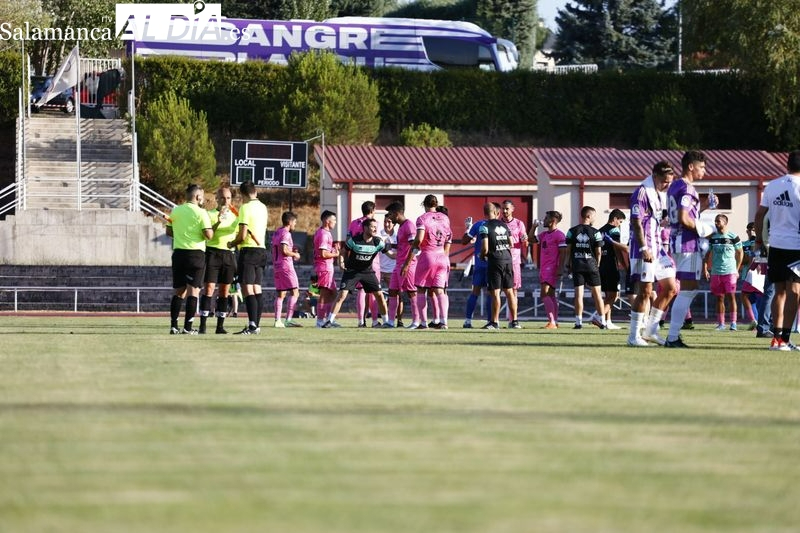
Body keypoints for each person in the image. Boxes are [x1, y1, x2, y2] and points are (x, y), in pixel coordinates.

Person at [664, 150, 714, 348]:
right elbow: (685, 218)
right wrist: (704, 228)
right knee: (689, 289)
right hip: (688, 243)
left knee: (686, 289)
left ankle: (672, 335)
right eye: (702, 167)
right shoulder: (687, 188)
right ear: (691, 166)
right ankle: (673, 336)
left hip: (676, 240)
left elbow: (682, 213)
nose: (705, 171)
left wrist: (703, 207)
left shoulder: (674, 186)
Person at [627, 163, 678, 346]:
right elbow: (636, 221)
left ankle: (650, 331)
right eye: (664, 181)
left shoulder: (660, 194)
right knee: (645, 292)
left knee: (671, 288)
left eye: (669, 182)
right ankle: (633, 336)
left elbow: (659, 219)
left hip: (658, 247)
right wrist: (643, 248)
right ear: (654, 176)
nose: (666, 185)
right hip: (644, 248)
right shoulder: (642, 192)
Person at [753, 150, 800, 351]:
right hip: (796, 246)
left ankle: (777, 338)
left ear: (787, 164)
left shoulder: (772, 185)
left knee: (778, 292)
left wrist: (758, 240)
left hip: (776, 245)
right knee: (795, 293)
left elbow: (760, 215)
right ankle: (785, 339)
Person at [322, 218, 390, 328]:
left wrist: (406, 256)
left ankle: (387, 322)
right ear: (365, 228)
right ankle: (329, 321)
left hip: (368, 272)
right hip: (352, 271)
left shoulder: (378, 242)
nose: (375, 229)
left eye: (375, 227)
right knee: (342, 295)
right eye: (372, 226)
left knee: (379, 295)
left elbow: (390, 254)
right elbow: (344, 251)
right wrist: (341, 262)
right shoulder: (354, 240)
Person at [166, 184, 213, 334]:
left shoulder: (175, 210)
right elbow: (209, 235)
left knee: (179, 291)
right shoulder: (201, 212)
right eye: (202, 197)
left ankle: (174, 326)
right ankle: (187, 327)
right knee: (193, 291)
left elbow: (169, 231)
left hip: (179, 254)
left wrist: (182, 235)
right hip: (195, 255)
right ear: (198, 197)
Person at [403, 194, 452, 329]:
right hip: (442, 256)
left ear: (424, 204)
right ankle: (443, 322)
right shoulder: (445, 218)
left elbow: (419, 239)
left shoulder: (422, 219)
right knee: (439, 290)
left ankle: (423, 323)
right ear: (436, 204)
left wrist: (413, 248)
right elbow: (449, 238)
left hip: (428, 256)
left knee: (421, 289)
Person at [227, 180, 268, 335]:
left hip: (249, 251)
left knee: (247, 288)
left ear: (242, 194)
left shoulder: (245, 207)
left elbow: (243, 235)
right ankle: (256, 325)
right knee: (257, 288)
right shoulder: (263, 207)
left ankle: (251, 326)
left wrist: (232, 243)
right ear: (255, 192)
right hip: (261, 250)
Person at [198, 186, 238, 334]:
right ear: (216, 198)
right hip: (212, 253)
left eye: (228, 198)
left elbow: (240, 234)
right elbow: (208, 235)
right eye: (222, 198)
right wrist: (219, 221)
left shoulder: (236, 216)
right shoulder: (209, 214)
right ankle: (202, 325)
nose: (225, 201)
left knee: (225, 291)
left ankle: (220, 326)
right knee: (208, 289)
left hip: (228, 255)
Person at [564, 205, 607, 329]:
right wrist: (597, 264)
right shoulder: (596, 232)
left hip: (577, 266)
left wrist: (567, 264)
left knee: (579, 294)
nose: (595, 218)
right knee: (597, 294)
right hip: (592, 266)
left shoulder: (571, 231)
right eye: (594, 216)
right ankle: (603, 321)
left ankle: (578, 322)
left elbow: (568, 250)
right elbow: (598, 251)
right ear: (588, 216)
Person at [479, 202, 519, 329]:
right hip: (508, 260)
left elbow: (485, 248)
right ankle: (515, 322)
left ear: (485, 214)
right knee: (510, 292)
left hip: (495, 261)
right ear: (497, 213)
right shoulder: (505, 225)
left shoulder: (484, 227)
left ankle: (494, 322)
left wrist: (482, 256)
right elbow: (511, 243)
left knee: (495, 293)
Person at [703, 213, 743, 331]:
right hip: (716, 272)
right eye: (715, 221)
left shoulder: (733, 236)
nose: (716, 223)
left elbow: (740, 252)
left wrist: (737, 268)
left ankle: (733, 323)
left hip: (730, 271)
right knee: (719, 298)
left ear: (725, 223)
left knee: (731, 296)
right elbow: (707, 254)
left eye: (718, 221)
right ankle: (721, 324)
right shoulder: (713, 238)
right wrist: (705, 269)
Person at [385, 201, 420, 329]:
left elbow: (415, 247)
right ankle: (390, 322)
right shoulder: (401, 226)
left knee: (412, 292)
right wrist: (392, 246)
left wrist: (406, 264)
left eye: (390, 214)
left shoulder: (409, 226)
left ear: (397, 214)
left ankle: (416, 322)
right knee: (392, 291)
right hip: (398, 264)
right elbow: (404, 246)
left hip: (407, 265)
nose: (389, 217)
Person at [530, 211, 567, 328]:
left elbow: (563, 253)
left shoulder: (560, 235)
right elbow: (531, 239)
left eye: (546, 218)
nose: (544, 220)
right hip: (544, 268)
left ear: (553, 221)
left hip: (551, 268)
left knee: (544, 293)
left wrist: (560, 268)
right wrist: (533, 227)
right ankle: (554, 321)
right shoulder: (544, 235)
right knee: (551, 295)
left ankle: (551, 321)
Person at [348, 201, 382, 327]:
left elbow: (348, 241)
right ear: (372, 210)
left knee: (361, 291)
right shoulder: (374, 224)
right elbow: (378, 242)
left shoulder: (353, 223)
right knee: (373, 291)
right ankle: (374, 321)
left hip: (356, 259)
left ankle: (361, 321)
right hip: (372, 260)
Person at [598, 209, 628, 330]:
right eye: (620, 221)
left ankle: (607, 321)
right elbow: (617, 248)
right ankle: (599, 317)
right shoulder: (614, 230)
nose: (620, 224)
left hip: (601, 265)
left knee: (608, 295)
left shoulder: (600, 230)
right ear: (615, 219)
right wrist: (624, 265)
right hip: (611, 264)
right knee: (614, 295)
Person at [272, 211, 303, 328]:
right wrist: (295, 255)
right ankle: (288, 319)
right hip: (286, 266)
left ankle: (277, 320)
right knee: (295, 291)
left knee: (280, 294)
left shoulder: (277, 232)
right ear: (290, 222)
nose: (295, 224)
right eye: (295, 222)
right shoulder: (286, 233)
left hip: (277, 266)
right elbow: (284, 250)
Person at [501, 200, 528, 328]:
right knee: (497, 291)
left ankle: (513, 320)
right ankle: (494, 320)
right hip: (500, 260)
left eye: (507, 209)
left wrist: (525, 240)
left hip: (515, 261)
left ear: (513, 209)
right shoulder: (498, 224)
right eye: (503, 209)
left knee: (514, 291)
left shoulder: (519, 223)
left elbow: (525, 242)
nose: (505, 211)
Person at [313, 210, 340, 328]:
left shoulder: (322, 232)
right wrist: (335, 254)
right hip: (324, 267)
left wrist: (333, 250)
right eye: (334, 220)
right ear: (327, 221)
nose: (335, 222)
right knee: (324, 294)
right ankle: (320, 321)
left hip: (326, 267)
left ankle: (329, 319)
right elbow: (323, 254)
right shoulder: (324, 234)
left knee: (333, 294)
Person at [461, 213, 489, 328]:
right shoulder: (499, 226)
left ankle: (468, 321)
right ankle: (491, 321)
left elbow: (464, 241)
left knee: (475, 292)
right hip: (492, 265)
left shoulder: (478, 224)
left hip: (479, 264)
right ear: (497, 213)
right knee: (491, 294)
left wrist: (468, 229)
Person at [739, 222, 762, 330]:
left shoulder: (760, 242)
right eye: (749, 230)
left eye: (753, 229)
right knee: (749, 299)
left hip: (758, 275)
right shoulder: (743, 244)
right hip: (746, 274)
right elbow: (743, 260)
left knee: (759, 300)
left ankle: (761, 322)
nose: (751, 231)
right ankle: (755, 321)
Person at [379, 216, 401, 324]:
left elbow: (399, 254)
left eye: (389, 222)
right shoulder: (379, 234)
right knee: (371, 295)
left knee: (397, 295)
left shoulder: (398, 236)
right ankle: (366, 320)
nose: (386, 224)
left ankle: (399, 320)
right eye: (385, 221)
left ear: (394, 224)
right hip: (378, 270)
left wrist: (388, 252)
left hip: (391, 270)